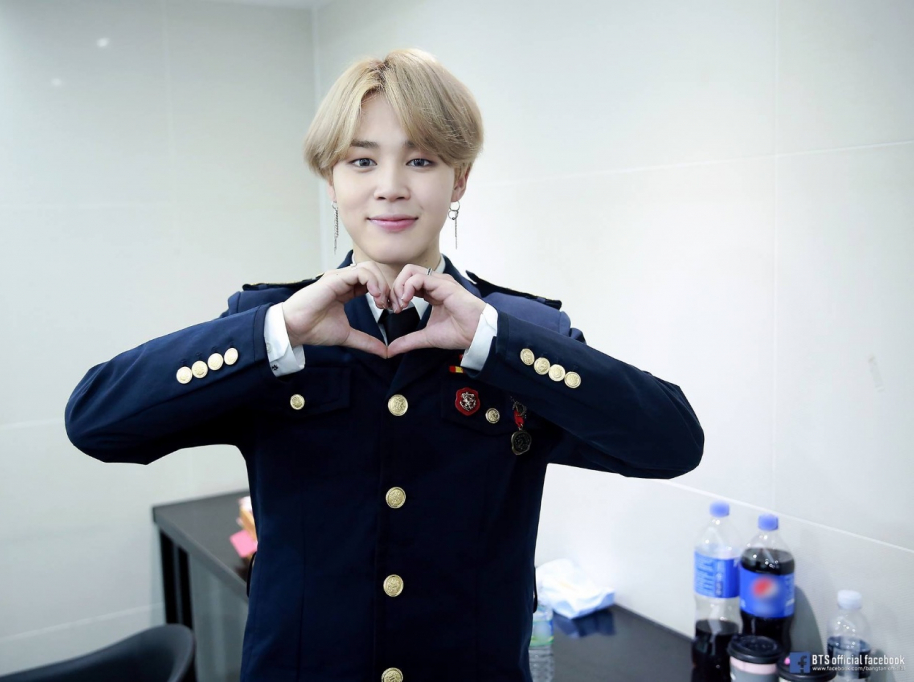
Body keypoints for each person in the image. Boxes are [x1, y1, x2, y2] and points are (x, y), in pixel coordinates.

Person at [65, 48, 704, 682]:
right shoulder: (270, 327)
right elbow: (97, 422)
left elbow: (672, 444)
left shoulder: (524, 334)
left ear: (459, 180)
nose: (391, 186)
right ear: (332, 180)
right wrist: (275, 332)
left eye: (420, 160)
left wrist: (496, 343)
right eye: (362, 160)